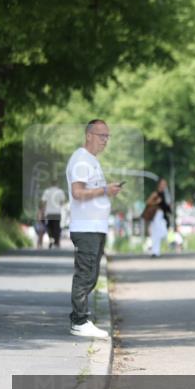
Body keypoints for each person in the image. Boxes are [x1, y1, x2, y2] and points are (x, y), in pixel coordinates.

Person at [66, 119, 122, 339]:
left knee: (91, 275)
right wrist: (105, 190)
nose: (105, 140)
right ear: (88, 135)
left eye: (107, 136)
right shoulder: (81, 160)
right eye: (101, 135)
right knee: (85, 275)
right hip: (86, 227)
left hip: (95, 227)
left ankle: (80, 319)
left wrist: (107, 191)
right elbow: (78, 193)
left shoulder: (91, 160)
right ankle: (79, 321)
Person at [145, 178, 172, 258]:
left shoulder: (166, 194)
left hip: (162, 216)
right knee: (156, 234)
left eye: (165, 184)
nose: (164, 185)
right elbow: (148, 202)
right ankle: (155, 252)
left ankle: (156, 251)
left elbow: (167, 205)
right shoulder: (156, 193)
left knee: (162, 233)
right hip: (155, 215)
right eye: (162, 184)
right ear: (159, 184)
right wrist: (156, 202)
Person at [41, 184, 66, 248]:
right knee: (56, 228)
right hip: (57, 212)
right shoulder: (60, 191)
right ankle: (56, 242)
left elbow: (43, 202)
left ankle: (51, 239)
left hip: (49, 212)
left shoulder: (47, 191)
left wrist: (43, 211)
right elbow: (62, 202)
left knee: (50, 227)